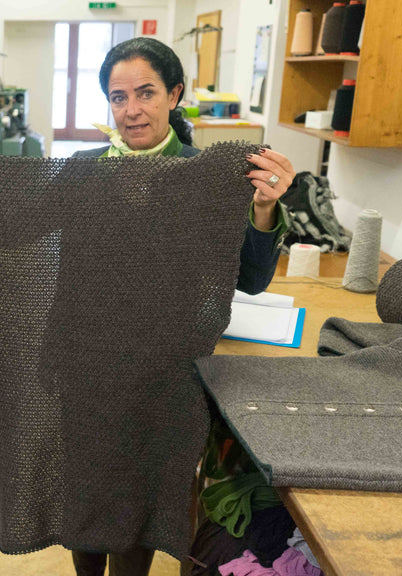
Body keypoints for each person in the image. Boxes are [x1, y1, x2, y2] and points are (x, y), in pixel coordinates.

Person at [68, 37, 294, 576]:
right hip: (86, 362)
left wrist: (264, 208)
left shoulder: (209, 175)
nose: (132, 109)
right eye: (119, 97)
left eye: (146, 93)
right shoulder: (81, 169)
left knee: (141, 493)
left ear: (174, 95)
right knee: (84, 490)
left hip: (166, 369)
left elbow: (253, 279)